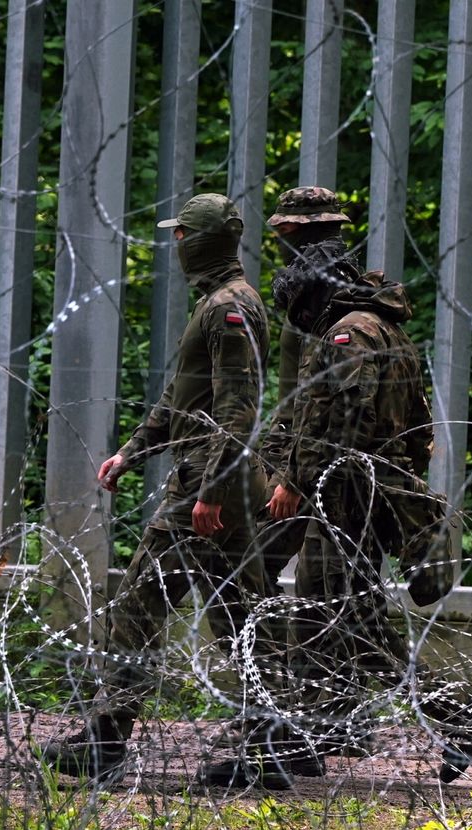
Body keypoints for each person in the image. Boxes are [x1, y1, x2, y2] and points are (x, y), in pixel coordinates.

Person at [39, 193, 298, 788]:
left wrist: (208, 490)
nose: (176, 243)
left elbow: (237, 409)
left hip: (209, 487)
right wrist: (133, 452)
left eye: (182, 234)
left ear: (202, 239)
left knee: (141, 602)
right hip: (218, 481)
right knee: (244, 617)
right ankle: (271, 745)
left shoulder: (231, 308)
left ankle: (108, 738)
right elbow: (183, 399)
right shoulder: (218, 303)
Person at [263, 186, 472, 784]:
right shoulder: (384, 327)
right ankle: (314, 732)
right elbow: (416, 429)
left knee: (346, 617)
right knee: (324, 616)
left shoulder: (351, 333)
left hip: (346, 494)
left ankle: (452, 711)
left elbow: (341, 420)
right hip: (363, 491)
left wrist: (297, 481)